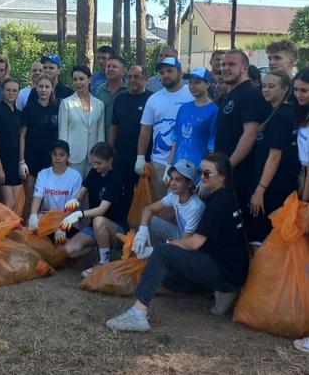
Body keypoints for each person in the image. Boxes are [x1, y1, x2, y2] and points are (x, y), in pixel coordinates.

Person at [106, 152, 250, 332]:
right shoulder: (223, 196)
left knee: (161, 252)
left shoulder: (217, 202)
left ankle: (138, 314)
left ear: (222, 176)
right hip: (225, 268)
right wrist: (146, 234)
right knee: (167, 277)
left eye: (207, 174)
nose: (202, 177)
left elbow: (194, 243)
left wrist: (162, 248)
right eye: (201, 172)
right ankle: (219, 291)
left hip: (225, 271)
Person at [59, 142, 127, 277]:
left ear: (110, 161)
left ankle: (104, 262)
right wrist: (75, 200)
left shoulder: (116, 179)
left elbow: (102, 210)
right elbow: (82, 192)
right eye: (93, 163)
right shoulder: (94, 172)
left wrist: (80, 214)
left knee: (98, 220)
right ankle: (98, 249)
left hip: (116, 230)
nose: (95, 166)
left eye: (99, 163)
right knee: (68, 250)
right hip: (94, 229)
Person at [247, 71, 298, 250]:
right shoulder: (275, 112)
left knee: (263, 237)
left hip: (272, 189)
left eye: (271, 86)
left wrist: (260, 190)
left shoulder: (282, 116)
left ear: (284, 89)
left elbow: (275, 157)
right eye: (264, 86)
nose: (266, 89)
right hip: (271, 184)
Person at [214, 50, 269, 217]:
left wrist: (227, 167)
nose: (225, 68)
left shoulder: (249, 94)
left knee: (237, 227)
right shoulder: (232, 94)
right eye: (224, 64)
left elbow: (249, 135)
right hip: (225, 172)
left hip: (239, 175)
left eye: (231, 64)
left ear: (244, 68)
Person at [136, 57, 193, 198]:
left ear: (180, 72)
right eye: (162, 73)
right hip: (159, 163)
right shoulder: (154, 99)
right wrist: (140, 157)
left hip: (185, 163)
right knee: (158, 206)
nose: (165, 75)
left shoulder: (192, 95)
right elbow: (145, 130)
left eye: (169, 71)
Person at [132, 160, 205, 257]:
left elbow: (185, 242)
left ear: (189, 184)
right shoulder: (174, 195)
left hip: (192, 246)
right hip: (181, 235)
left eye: (178, 180)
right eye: (172, 179)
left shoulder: (195, 207)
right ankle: (156, 255)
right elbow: (148, 209)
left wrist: (153, 251)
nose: (172, 183)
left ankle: (158, 254)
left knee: (163, 247)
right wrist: (142, 230)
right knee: (154, 221)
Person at [109, 65, 152, 207]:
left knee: (144, 195)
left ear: (145, 78)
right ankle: (123, 223)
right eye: (129, 77)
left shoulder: (152, 99)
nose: (132, 80)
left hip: (144, 157)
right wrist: (110, 151)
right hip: (122, 156)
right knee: (124, 193)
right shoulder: (120, 99)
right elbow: (114, 126)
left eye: (136, 76)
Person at [168, 67, 218, 183]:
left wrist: (206, 176)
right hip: (177, 170)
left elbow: (212, 149)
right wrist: (168, 166)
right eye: (190, 82)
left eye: (197, 82)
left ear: (207, 84)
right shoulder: (184, 108)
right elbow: (175, 140)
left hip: (197, 173)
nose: (192, 86)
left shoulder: (214, 111)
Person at [19, 74, 59, 219]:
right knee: (31, 198)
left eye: (47, 86)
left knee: (44, 200)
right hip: (30, 159)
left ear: (52, 89)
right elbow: (22, 135)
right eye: (41, 86)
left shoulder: (57, 108)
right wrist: (21, 160)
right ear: (36, 88)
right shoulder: (29, 109)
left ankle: (40, 234)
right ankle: (25, 233)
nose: (43, 90)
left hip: (48, 160)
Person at [27, 140, 82, 240]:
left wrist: (61, 226)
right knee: (31, 228)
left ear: (68, 156)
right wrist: (33, 215)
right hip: (47, 216)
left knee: (67, 249)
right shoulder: (43, 174)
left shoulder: (75, 176)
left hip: (67, 219)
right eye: (54, 154)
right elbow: (37, 196)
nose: (58, 158)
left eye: (62, 154)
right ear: (51, 156)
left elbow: (73, 205)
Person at [59, 65, 105, 178]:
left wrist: (101, 154)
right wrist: (64, 155)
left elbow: (100, 132)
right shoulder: (66, 103)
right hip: (73, 156)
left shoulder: (99, 104)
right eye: (75, 80)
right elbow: (63, 132)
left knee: (91, 190)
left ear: (90, 79)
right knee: (74, 189)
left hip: (93, 155)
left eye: (81, 79)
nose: (78, 82)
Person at [0, 77, 22, 208]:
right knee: (10, 203)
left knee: (4, 203)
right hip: (2, 163)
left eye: (15, 90)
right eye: (8, 90)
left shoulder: (18, 113)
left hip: (13, 162)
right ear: (2, 91)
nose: (11, 93)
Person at [96, 56, 128, 138]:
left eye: (114, 67)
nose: (110, 69)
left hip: (125, 140)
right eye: (108, 66)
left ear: (123, 71)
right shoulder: (100, 90)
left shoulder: (130, 89)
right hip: (103, 138)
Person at [293, 67, 309, 201]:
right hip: (302, 175)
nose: (298, 94)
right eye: (296, 90)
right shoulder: (303, 114)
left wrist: (305, 200)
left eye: (304, 90)